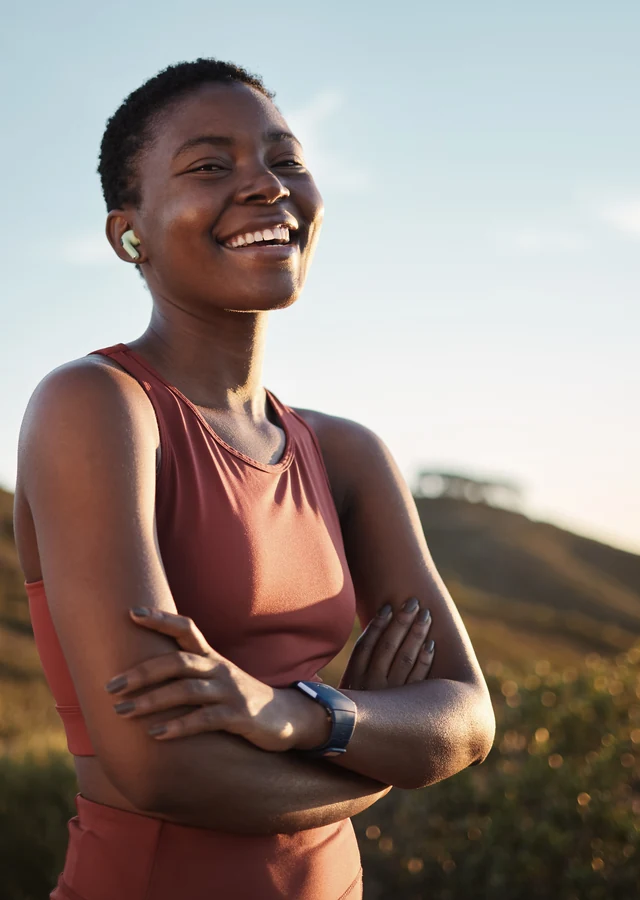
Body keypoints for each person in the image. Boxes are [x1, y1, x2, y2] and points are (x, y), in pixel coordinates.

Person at [13, 58, 496, 900]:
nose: (266, 186)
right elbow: (162, 770)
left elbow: (467, 717)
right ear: (130, 233)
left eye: (286, 160)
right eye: (210, 166)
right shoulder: (96, 406)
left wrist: (303, 715)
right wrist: (381, 763)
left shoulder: (348, 454)